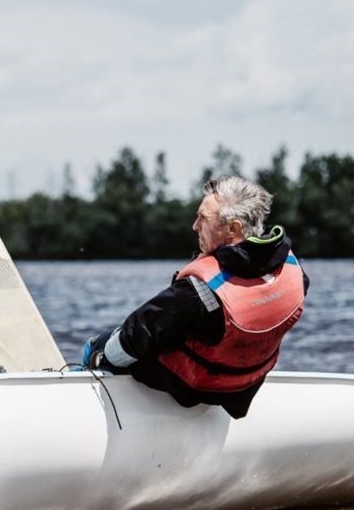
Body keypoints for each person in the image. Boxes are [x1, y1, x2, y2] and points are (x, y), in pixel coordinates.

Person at [82, 176, 309, 419]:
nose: (195, 225)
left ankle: (88, 401)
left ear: (233, 229)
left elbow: (134, 336)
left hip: (192, 387)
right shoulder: (294, 273)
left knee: (102, 346)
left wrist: (103, 355)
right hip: (243, 388)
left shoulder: (196, 292)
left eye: (203, 218)